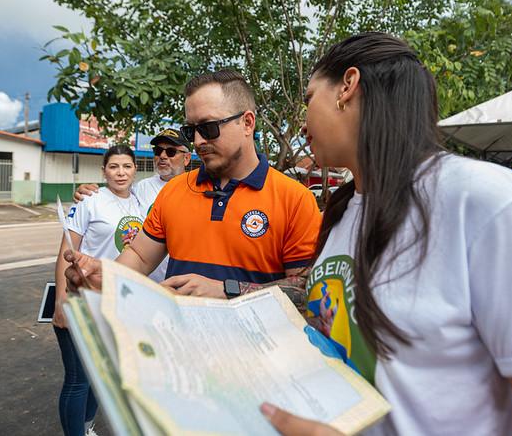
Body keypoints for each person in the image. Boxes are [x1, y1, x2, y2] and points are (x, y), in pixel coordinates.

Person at [259, 33, 512, 435]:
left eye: (308, 98)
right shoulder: (344, 210)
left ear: (347, 86)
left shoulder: (486, 205)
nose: (301, 122)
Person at [65, 70, 321, 308]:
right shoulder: (175, 191)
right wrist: (101, 275)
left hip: (256, 353)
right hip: (177, 348)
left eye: (208, 128)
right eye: (191, 130)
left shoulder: (294, 199)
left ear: (247, 122)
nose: (199, 141)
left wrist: (230, 291)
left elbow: (306, 292)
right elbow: (141, 258)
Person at [53, 145, 144, 436]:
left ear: (135, 170)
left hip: (117, 300)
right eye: (114, 166)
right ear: (103, 171)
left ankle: (87, 427)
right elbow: (66, 251)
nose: (120, 172)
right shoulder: (90, 200)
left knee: (100, 374)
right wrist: (61, 301)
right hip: (82, 298)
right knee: (79, 379)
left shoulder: (140, 202)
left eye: (127, 166)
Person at [73, 128, 193, 281]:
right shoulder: (140, 188)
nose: (162, 156)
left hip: (182, 283)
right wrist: (85, 192)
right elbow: (116, 194)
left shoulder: (197, 189)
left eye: (170, 151)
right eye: (158, 151)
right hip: (144, 283)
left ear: (187, 158)